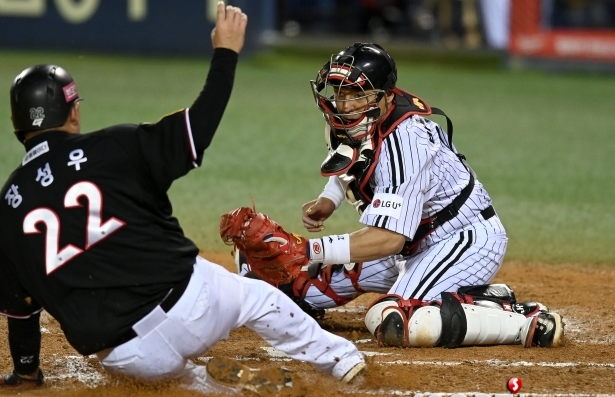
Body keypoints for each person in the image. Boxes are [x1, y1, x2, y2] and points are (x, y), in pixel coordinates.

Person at [0, 2, 366, 393]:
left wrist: (26, 371)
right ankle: (342, 361)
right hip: (195, 305)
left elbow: (20, 308)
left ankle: (218, 388)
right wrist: (226, 53)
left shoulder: (9, 205)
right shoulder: (114, 146)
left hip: (126, 352)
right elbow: (196, 130)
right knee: (258, 299)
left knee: (158, 381)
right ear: (73, 112)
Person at [234, 42, 563, 349]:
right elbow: (356, 162)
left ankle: (517, 316)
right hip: (413, 244)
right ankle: (464, 293)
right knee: (300, 288)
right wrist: (328, 200)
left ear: (385, 98)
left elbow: (388, 238)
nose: (344, 104)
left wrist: (309, 249)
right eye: (339, 92)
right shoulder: (356, 122)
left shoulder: (406, 142)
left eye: (355, 94)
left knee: (395, 319)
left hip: (462, 239)